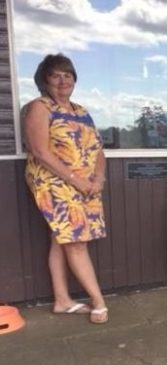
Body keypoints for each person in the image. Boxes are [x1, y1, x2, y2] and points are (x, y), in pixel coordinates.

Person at [23, 54, 109, 324]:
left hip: (85, 185)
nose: (63, 81)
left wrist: (98, 179)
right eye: (55, 75)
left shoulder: (81, 111)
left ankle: (62, 300)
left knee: (60, 239)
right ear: (44, 80)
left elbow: (98, 150)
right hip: (53, 182)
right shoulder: (41, 107)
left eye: (67, 75)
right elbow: (40, 151)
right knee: (74, 241)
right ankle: (99, 301)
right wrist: (77, 180)